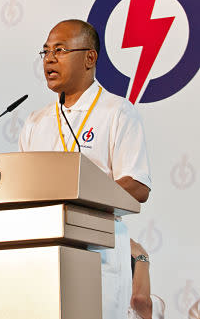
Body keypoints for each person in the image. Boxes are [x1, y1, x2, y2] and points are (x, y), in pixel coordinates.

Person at [19, 19, 152, 319]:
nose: (50, 58)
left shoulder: (118, 112)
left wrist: (80, 197)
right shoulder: (35, 122)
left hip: (99, 253)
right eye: (46, 52)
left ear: (90, 58)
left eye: (61, 49)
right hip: (44, 256)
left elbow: (138, 185)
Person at [128, 238, 165, 319]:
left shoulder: (155, 303)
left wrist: (141, 256)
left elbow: (139, 299)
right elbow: (139, 299)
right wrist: (142, 256)